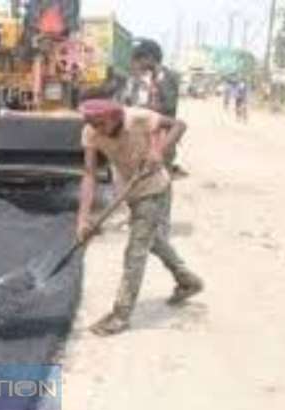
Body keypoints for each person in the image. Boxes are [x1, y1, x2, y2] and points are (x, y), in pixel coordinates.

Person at [76, 99, 204, 336]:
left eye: (99, 123)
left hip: (155, 187)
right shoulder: (91, 133)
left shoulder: (136, 118)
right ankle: (188, 280)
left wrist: (159, 151)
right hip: (131, 190)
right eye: (90, 123)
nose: (95, 128)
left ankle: (120, 315)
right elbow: (89, 174)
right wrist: (83, 219)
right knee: (152, 240)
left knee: (136, 250)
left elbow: (178, 124)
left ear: (114, 118)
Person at [122, 39, 184, 174]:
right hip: (143, 137)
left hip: (163, 137)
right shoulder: (144, 77)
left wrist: (139, 109)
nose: (138, 64)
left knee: (160, 179)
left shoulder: (168, 77)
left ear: (150, 58)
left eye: (140, 59)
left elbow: (168, 105)